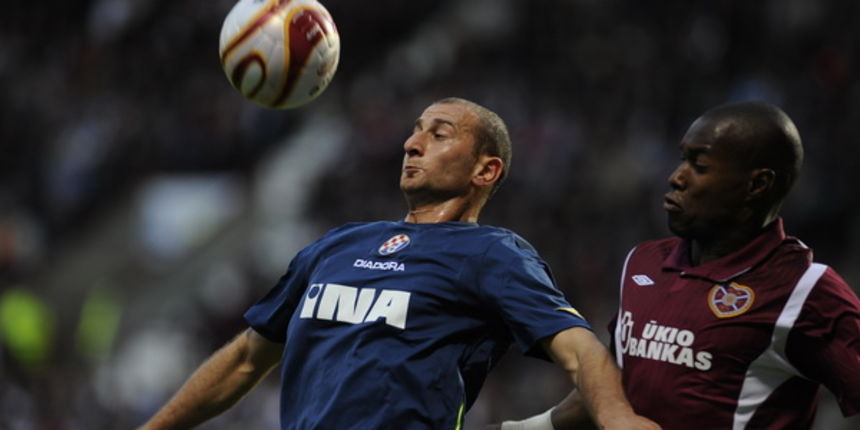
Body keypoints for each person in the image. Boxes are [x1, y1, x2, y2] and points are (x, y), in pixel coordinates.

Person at [138, 97, 659, 430]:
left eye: (439, 133)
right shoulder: (337, 245)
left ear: (486, 169)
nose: (412, 143)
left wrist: (617, 418)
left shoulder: (493, 253)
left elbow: (579, 349)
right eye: (415, 131)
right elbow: (246, 360)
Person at [495, 101, 860, 429]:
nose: (676, 176)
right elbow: (613, 396)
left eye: (699, 165)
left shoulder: (804, 290)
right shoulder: (643, 263)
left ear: (757, 185)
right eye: (682, 158)